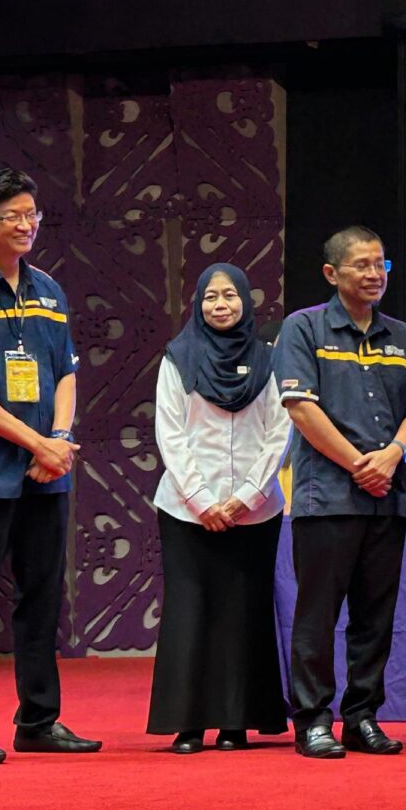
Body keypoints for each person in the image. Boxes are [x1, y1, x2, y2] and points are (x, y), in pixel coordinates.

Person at [274, 227, 406, 760]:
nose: (374, 274)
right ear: (332, 273)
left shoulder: (404, 337)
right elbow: (301, 409)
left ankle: (362, 716)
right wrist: (359, 465)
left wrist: (393, 455)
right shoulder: (303, 328)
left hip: (388, 497)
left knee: (374, 617)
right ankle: (313, 720)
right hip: (326, 499)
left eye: (380, 264)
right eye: (361, 265)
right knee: (317, 615)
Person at [147, 264, 293, 753]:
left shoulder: (270, 360)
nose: (220, 305)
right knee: (190, 613)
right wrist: (202, 500)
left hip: (255, 511)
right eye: (211, 297)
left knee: (243, 612)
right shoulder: (178, 357)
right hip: (187, 510)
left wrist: (248, 495)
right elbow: (170, 433)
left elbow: (280, 431)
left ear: (246, 301)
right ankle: (188, 724)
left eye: (230, 295)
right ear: (198, 304)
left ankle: (237, 722)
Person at [0, 168, 99, 764]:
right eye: (13, 215)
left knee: (42, 598)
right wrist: (38, 443)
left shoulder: (49, 289)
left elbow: (66, 372)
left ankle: (38, 721)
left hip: (44, 473)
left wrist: (57, 441)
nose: (27, 224)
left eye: (32, 214)